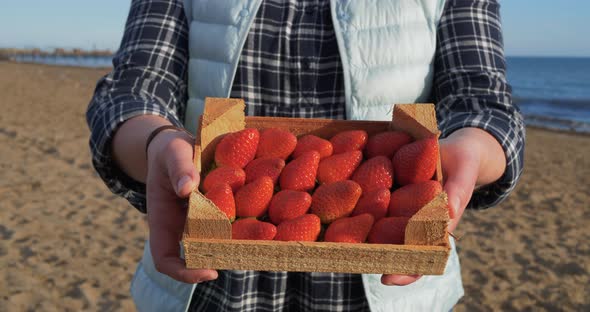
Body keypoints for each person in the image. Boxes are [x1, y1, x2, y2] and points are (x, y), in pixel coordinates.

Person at [86, 0, 525, 311]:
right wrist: (155, 142)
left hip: (388, 293)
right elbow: (134, 89)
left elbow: (482, 100)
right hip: (211, 281)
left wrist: (473, 149)